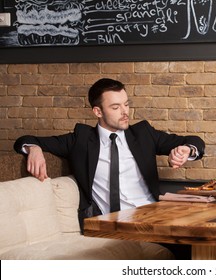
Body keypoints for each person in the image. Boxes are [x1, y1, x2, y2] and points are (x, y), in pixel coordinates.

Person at [14, 78, 205, 231]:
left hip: (152, 217)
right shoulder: (81, 140)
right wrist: (34, 149)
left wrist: (186, 150)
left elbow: (195, 141)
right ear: (98, 111)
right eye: (115, 107)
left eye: (126, 105)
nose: (125, 112)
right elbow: (24, 139)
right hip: (108, 224)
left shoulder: (143, 134)